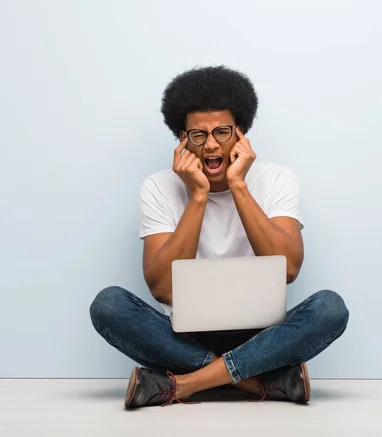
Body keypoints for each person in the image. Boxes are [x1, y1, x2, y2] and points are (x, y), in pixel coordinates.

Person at [89, 65, 350, 409]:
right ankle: (256, 381)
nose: (211, 144)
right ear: (182, 139)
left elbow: (287, 269)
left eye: (223, 132)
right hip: (185, 334)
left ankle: (183, 384)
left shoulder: (277, 179)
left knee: (330, 308)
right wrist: (197, 196)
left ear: (241, 133)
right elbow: (163, 288)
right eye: (198, 135)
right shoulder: (158, 186)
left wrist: (238, 184)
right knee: (108, 305)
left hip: (262, 335)